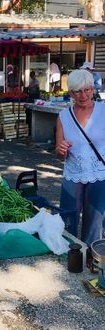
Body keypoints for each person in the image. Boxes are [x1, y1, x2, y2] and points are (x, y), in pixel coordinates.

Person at [55, 69, 105, 245]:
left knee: (95, 220)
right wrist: (61, 149)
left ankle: (92, 255)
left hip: (99, 174)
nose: (83, 95)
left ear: (93, 89)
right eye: (77, 91)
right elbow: (58, 151)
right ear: (70, 93)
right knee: (68, 216)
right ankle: (71, 251)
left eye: (87, 90)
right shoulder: (63, 116)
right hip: (73, 174)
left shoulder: (104, 111)